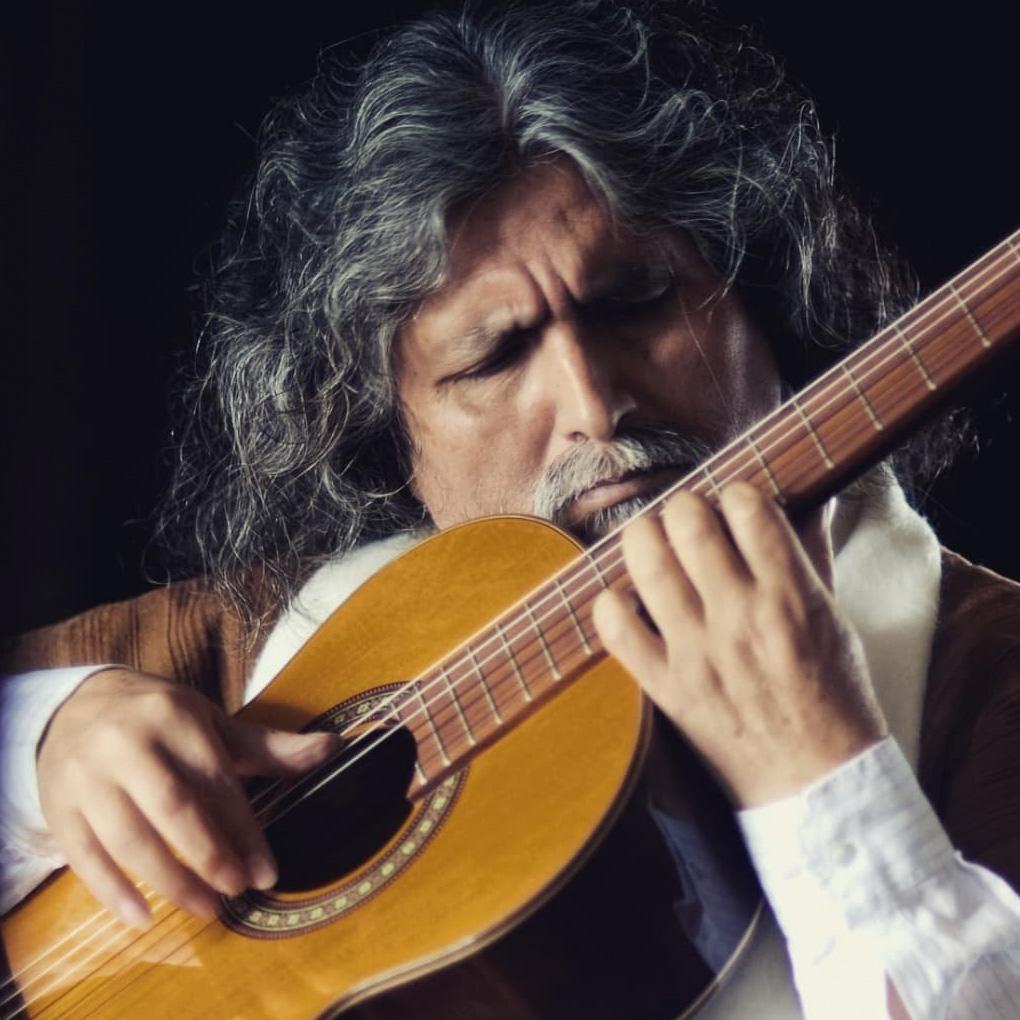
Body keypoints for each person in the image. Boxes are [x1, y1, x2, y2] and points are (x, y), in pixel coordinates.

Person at [2, 2, 1019, 1017]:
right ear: (392, 442)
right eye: (493, 355)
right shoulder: (268, 649)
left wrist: (825, 773)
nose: (593, 406)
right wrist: (53, 738)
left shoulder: (990, 675)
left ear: (764, 303)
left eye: (636, 301)